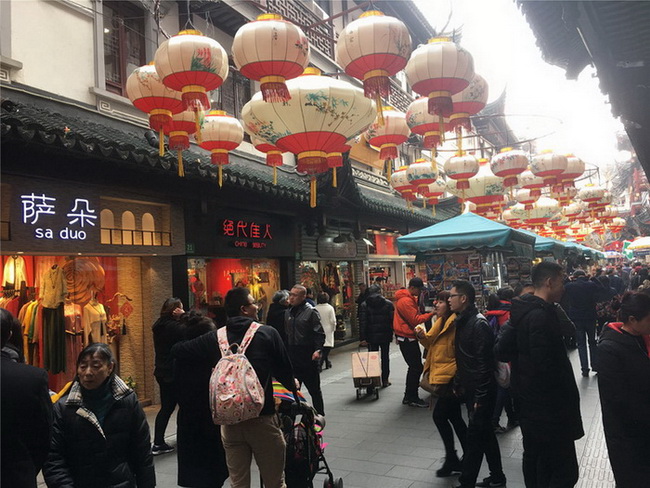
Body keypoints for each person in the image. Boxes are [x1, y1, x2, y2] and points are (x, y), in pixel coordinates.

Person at [172, 287, 297, 488]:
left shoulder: (216, 337)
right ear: (244, 309)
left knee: (238, 484)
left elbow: (178, 350)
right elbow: (285, 371)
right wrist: (293, 387)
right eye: (253, 302)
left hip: (229, 423)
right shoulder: (267, 333)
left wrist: (186, 321)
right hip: (262, 420)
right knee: (275, 481)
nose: (257, 306)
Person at [495, 262, 584, 488]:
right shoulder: (541, 316)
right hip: (548, 410)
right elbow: (545, 368)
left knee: (538, 463)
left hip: (529, 405)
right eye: (562, 281)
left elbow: (503, 351)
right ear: (549, 282)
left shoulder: (522, 313)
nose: (564, 287)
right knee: (565, 472)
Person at [44, 343, 155, 488]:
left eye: (96, 366)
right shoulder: (64, 408)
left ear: (110, 368)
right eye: (83, 366)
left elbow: (142, 450)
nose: (88, 372)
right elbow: (53, 458)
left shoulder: (127, 401)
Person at [449, 280, 506, 488]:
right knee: (486, 435)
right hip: (473, 389)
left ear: (463, 299)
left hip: (482, 392)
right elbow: (463, 357)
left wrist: (480, 398)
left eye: (452, 296)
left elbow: (484, 365)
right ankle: (498, 477)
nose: (448, 299)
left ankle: (466, 482)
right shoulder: (463, 321)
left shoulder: (478, 324)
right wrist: (458, 381)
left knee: (474, 440)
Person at [597, 292, 650, 488]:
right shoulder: (610, 349)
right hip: (628, 436)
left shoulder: (642, 338)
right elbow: (618, 400)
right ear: (632, 320)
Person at [415, 290, 466, 477]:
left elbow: (458, 352)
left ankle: (457, 458)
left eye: (442, 301)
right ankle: (463, 457)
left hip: (450, 378)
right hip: (443, 375)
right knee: (454, 418)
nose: (436, 304)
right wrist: (421, 336)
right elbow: (433, 345)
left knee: (440, 416)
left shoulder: (455, 323)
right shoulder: (441, 322)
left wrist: (457, 381)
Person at [174, 311, 228, 488]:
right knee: (213, 474)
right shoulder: (211, 358)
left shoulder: (180, 355)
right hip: (209, 422)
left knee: (195, 475)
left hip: (188, 422)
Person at [1, 309, 53, 488]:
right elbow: (44, 431)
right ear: (9, 335)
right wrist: (28, 465)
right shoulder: (32, 378)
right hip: (17, 473)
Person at [285, 284, 326, 415]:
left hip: (307, 356)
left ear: (303, 297)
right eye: (290, 294)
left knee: (314, 390)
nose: (291, 298)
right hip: (292, 356)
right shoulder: (288, 312)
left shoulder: (311, 312)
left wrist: (318, 350)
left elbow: (319, 333)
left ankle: (320, 415)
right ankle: (290, 418)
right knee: (292, 390)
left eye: (294, 295)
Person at [151, 297, 185, 455]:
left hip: (161, 370)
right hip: (173, 371)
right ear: (175, 310)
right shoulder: (175, 327)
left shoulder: (158, 325)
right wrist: (184, 316)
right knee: (183, 406)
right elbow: (193, 329)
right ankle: (183, 439)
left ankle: (158, 441)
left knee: (166, 407)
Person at [563, 269, 608, 376]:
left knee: (581, 343)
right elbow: (602, 289)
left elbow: (563, 286)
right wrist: (593, 278)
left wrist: (568, 279)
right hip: (590, 316)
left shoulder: (570, 286)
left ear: (575, 276)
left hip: (576, 317)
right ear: (584, 276)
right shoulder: (591, 284)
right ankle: (595, 365)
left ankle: (584, 369)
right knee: (592, 342)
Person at [485, 291, 517, 434]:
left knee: (505, 386)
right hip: (505, 356)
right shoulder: (509, 313)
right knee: (504, 387)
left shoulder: (490, 313)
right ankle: (494, 420)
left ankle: (511, 417)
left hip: (493, 354)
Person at [359, 284, 395, 388]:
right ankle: (385, 380)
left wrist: (363, 338)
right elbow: (392, 321)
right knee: (385, 357)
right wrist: (395, 334)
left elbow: (363, 322)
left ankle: (373, 381)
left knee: (372, 359)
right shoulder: (388, 304)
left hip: (371, 336)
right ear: (380, 292)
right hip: (385, 335)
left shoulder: (364, 305)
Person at [315, 292, 336, 371]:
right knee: (327, 347)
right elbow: (333, 321)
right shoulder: (330, 308)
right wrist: (333, 329)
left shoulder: (315, 308)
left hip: (318, 329)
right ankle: (320, 364)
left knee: (322, 347)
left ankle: (327, 362)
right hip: (328, 329)